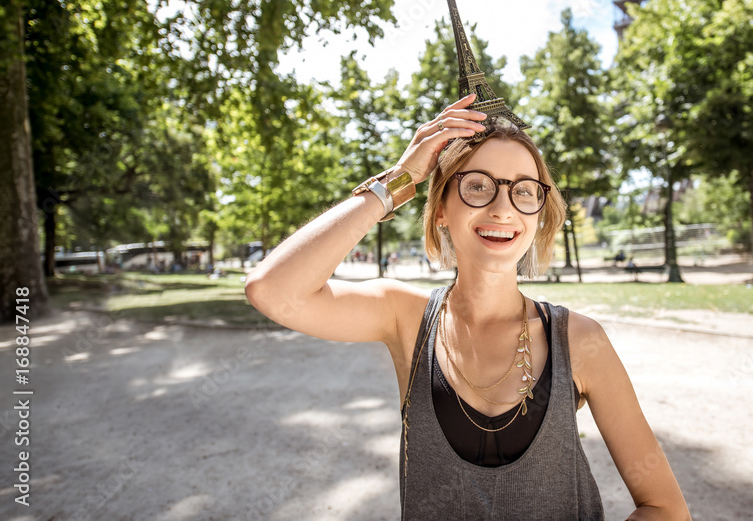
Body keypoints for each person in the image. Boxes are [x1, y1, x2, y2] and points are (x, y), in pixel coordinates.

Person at [245, 93, 690, 519]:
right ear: (441, 209)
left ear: (537, 213)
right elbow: (272, 290)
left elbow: (665, 508)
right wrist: (398, 180)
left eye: (524, 190)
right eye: (477, 186)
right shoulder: (404, 317)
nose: (503, 208)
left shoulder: (580, 340)